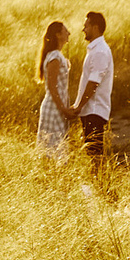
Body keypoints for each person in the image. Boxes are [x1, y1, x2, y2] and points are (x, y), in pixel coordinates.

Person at [35, 19, 86, 160]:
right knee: (53, 152)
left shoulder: (56, 55)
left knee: (55, 149)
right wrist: (63, 109)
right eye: (65, 31)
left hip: (56, 106)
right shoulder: (55, 57)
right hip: (54, 107)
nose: (68, 33)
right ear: (58, 35)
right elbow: (52, 87)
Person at [74, 10, 117, 168]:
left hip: (94, 110)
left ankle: (103, 189)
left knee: (95, 155)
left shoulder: (100, 51)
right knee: (92, 153)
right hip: (90, 110)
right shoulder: (95, 50)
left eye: (86, 26)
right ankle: (99, 187)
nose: (83, 29)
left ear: (96, 27)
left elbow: (93, 83)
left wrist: (79, 106)